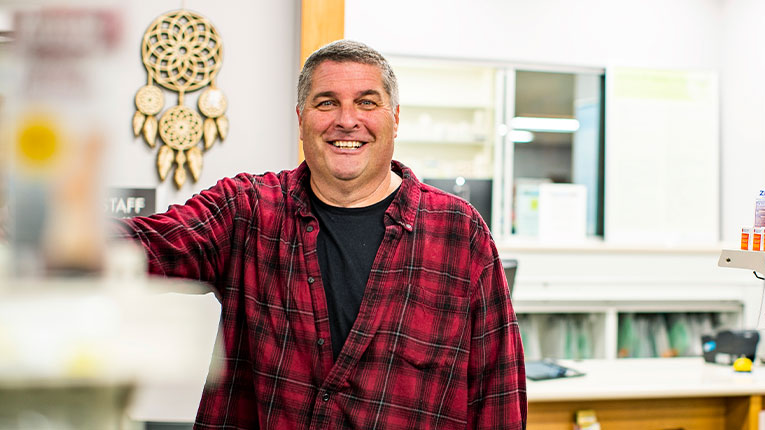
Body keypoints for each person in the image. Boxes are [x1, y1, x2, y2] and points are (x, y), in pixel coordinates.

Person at [117, 40, 527, 429]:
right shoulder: (248, 209)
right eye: (327, 102)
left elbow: (498, 392)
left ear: (395, 118)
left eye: (367, 102)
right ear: (301, 120)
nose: (347, 120)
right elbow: (146, 247)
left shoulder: (460, 232)